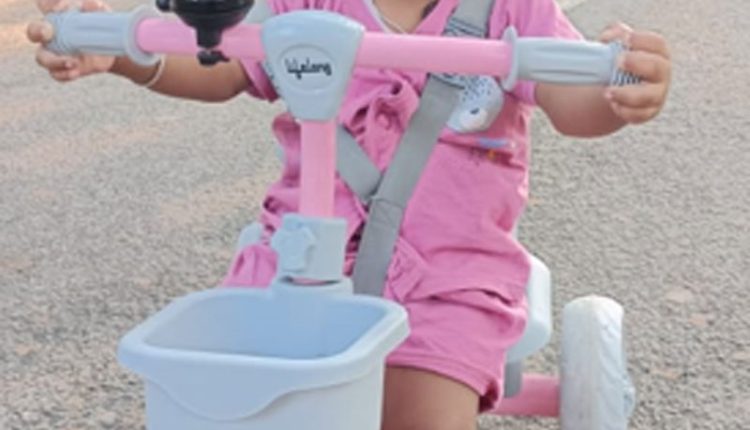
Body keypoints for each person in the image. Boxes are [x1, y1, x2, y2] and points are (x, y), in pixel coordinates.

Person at [27, 0, 671, 429]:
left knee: (419, 418)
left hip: (448, 275)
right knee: (230, 399)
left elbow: (568, 95)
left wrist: (614, 91)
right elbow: (218, 63)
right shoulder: (304, 3)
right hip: (301, 259)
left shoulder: (512, 8)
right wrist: (123, 54)